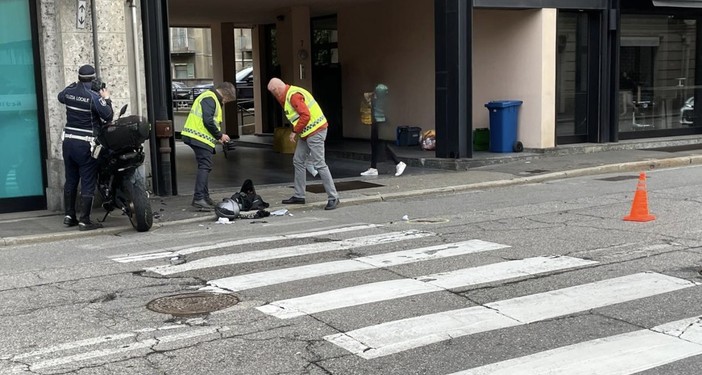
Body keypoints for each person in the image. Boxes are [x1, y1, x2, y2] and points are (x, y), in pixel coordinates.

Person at [267, 77, 340, 210]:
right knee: (298, 160)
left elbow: (305, 115)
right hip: (308, 132)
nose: (274, 96)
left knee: (320, 164)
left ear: (276, 90)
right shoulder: (291, 93)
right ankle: (299, 195)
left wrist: (294, 131)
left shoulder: (293, 96)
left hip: (315, 131)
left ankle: (333, 197)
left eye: (273, 93)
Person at [58, 64, 114, 231]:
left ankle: (69, 216)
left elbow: (60, 97)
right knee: (88, 181)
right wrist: (106, 97)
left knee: (71, 180)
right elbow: (108, 116)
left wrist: (73, 85)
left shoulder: (69, 91)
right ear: (93, 78)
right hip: (85, 143)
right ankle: (85, 220)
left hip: (68, 142)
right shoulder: (93, 97)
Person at [182, 81, 237, 210]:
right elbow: (207, 120)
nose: (225, 102)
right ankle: (199, 198)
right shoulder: (210, 98)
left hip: (197, 136)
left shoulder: (208, 97)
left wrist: (218, 137)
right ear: (226, 95)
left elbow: (208, 121)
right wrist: (220, 135)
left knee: (205, 165)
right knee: (204, 166)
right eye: (227, 100)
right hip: (198, 137)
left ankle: (204, 197)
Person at [360, 84, 406, 177]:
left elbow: (365, 95)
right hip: (379, 123)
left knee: (381, 145)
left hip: (378, 124)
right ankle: (373, 168)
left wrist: (372, 94)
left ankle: (398, 163)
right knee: (375, 145)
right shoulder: (383, 100)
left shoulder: (375, 101)